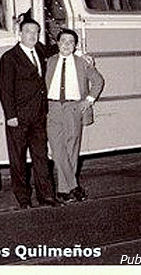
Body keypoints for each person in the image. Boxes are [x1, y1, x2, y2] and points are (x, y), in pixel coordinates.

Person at [0, 16, 59, 209]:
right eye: (29, 32)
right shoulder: (9, 57)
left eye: (36, 32)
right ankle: (23, 200)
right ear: (20, 34)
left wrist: (80, 52)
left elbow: (57, 48)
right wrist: (10, 116)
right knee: (18, 160)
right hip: (18, 117)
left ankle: (47, 196)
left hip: (39, 115)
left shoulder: (39, 49)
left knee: (41, 157)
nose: (33, 35)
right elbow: (4, 89)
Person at [45, 28, 104, 203]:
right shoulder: (49, 61)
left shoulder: (82, 62)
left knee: (72, 148)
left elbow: (98, 81)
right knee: (57, 150)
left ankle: (63, 190)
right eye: (63, 41)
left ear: (75, 45)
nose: (66, 45)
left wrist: (89, 100)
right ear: (57, 43)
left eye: (70, 42)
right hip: (52, 107)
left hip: (73, 108)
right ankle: (74, 186)